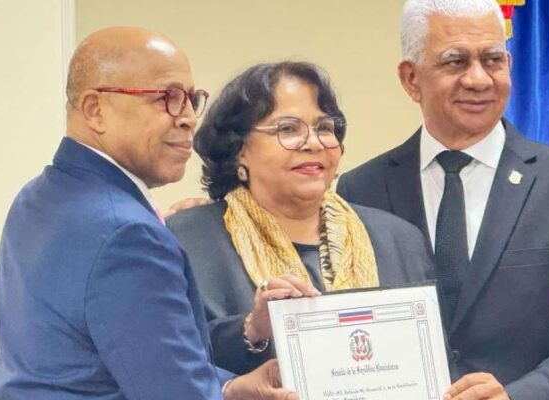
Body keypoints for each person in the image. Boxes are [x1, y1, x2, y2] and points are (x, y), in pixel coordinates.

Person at [337, 1, 549, 399]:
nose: (478, 79)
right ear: (411, 79)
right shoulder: (360, 192)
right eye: (455, 62)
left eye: (492, 60)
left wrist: (515, 396)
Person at [0, 26, 297, 400]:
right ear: (95, 110)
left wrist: (230, 387)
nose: (188, 118)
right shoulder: (127, 232)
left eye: (191, 99)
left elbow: (130, 363)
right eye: (167, 98)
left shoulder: (38, 196)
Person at [166, 61, 433, 375]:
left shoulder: (399, 239)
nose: (313, 143)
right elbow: (167, 361)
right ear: (238, 149)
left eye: (324, 128)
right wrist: (252, 330)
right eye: (288, 129)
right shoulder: (187, 240)